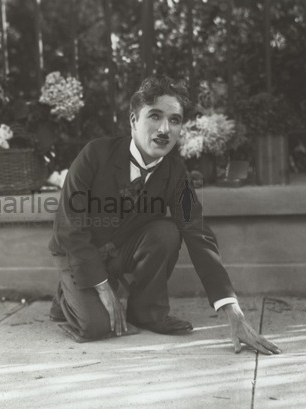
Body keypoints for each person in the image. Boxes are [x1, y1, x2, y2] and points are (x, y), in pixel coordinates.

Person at [48, 74, 280, 355]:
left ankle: (146, 311)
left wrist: (233, 312)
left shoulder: (174, 173)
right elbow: (68, 227)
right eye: (155, 116)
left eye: (174, 120)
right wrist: (100, 286)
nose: (164, 129)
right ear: (134, 121)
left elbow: (197, 234)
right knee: (96, 327)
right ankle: (66, 297)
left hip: (121, 249)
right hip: (78, 251)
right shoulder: (95, 154)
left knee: (167, 231)